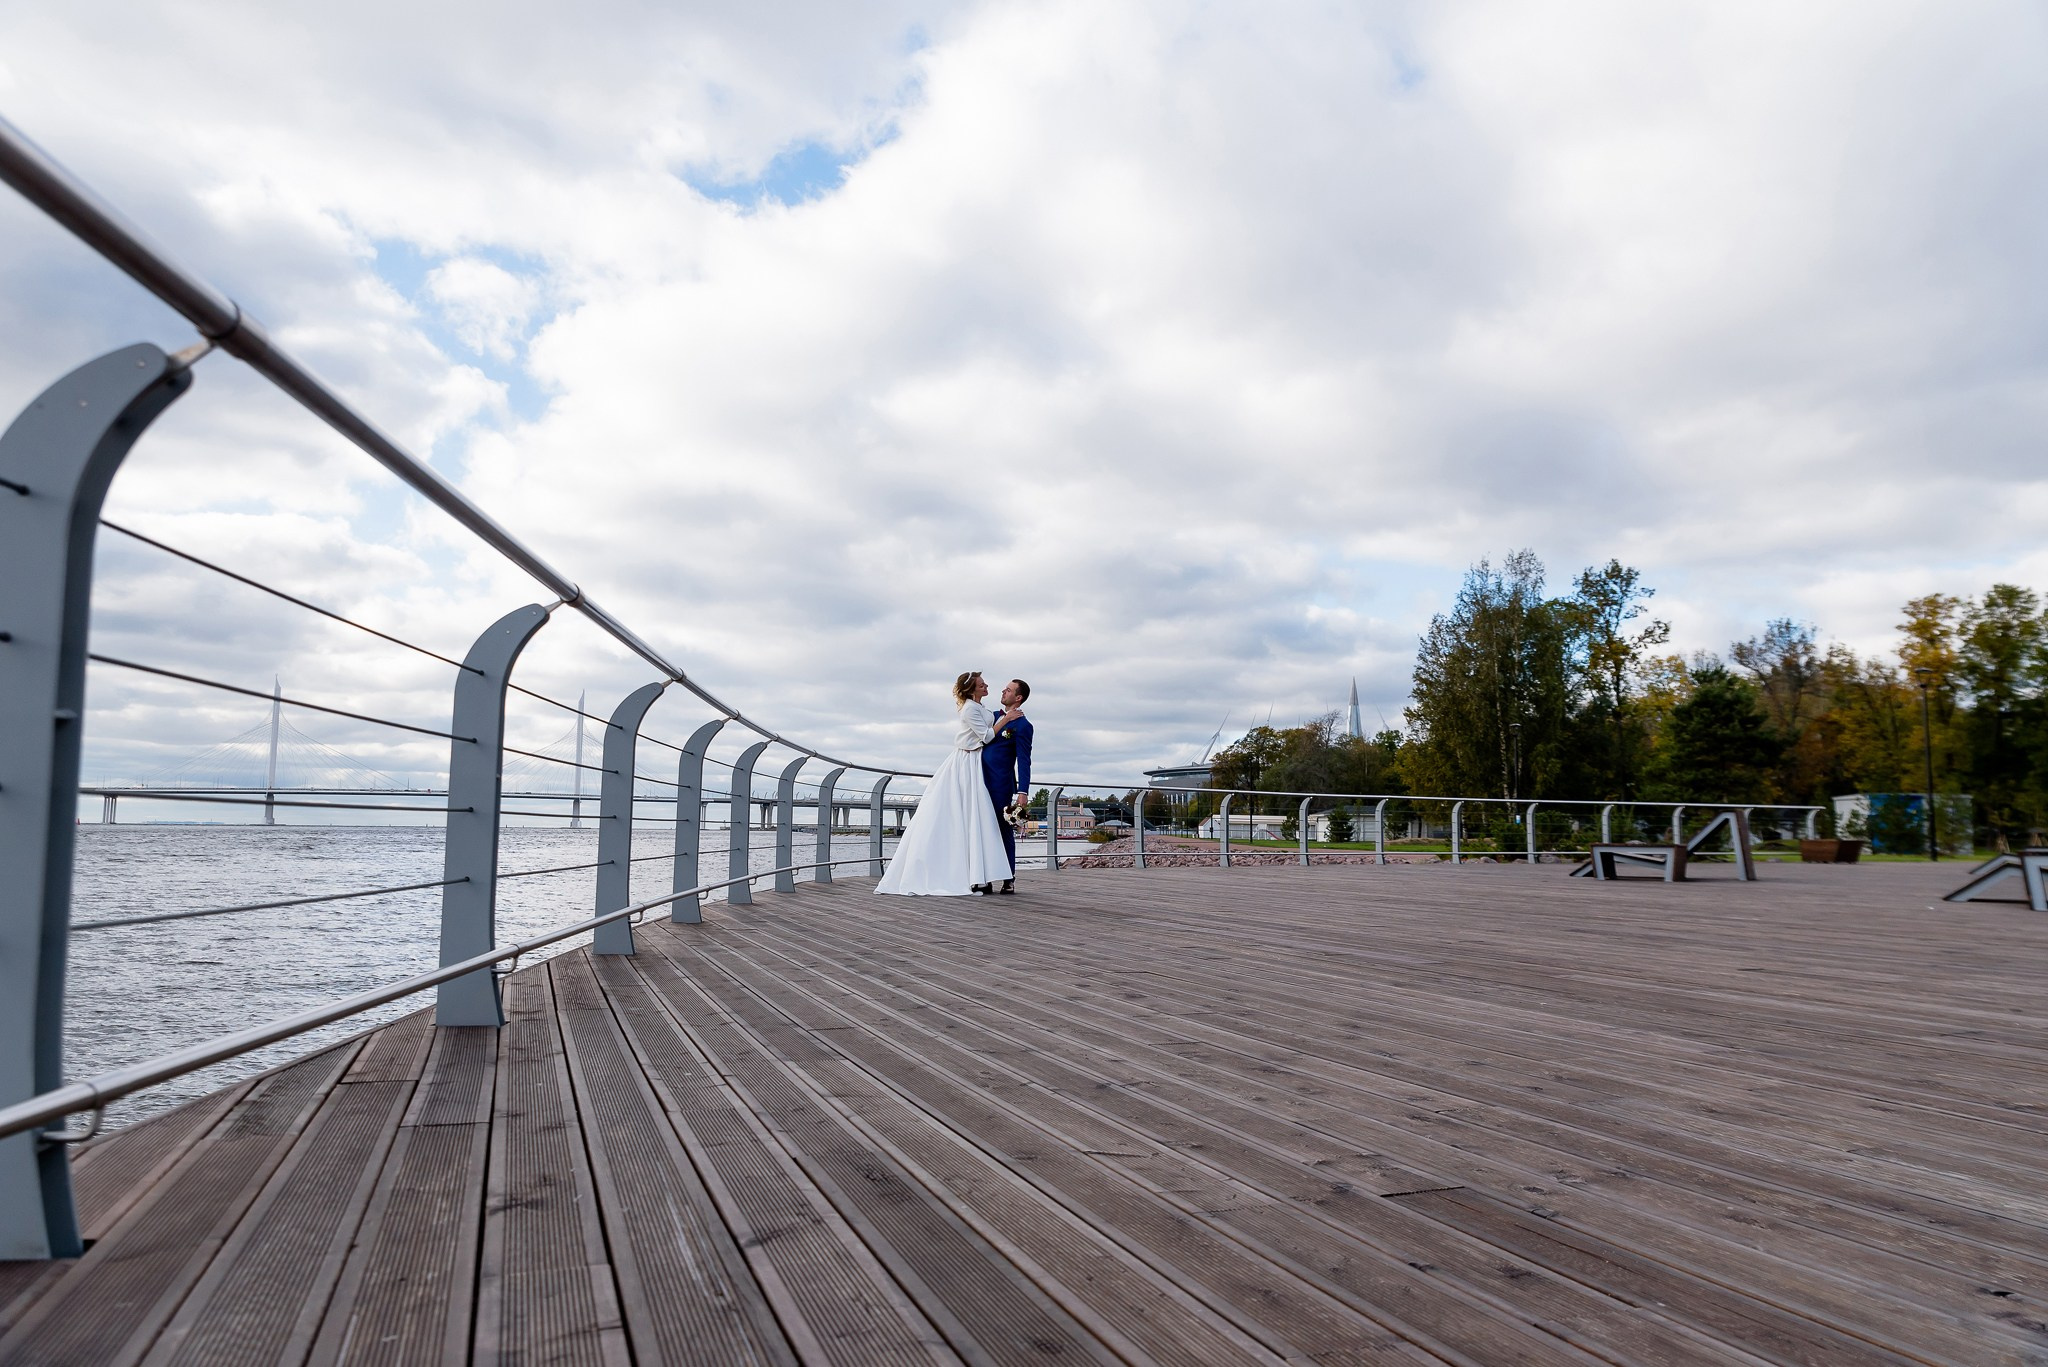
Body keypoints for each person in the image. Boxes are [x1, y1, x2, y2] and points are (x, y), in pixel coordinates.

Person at [874, 671, 1021, 896]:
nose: (986, 686)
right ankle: (962, 873)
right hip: (965, 761)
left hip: (975, 762)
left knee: (977, 817)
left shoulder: (981, 708)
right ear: (973, 689)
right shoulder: (970, 709)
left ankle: (980, 873)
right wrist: (1006, 720)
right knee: (962, 813)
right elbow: (986, 737)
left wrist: (1006, 717)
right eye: (982, 684)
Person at [980, 678, 1033, 894]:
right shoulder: (992, 717)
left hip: (1001, 783)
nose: (1003, 691)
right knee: (981, 828)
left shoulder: (1023, 726)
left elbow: (1024, 759)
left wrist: (1023, 791)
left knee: (1003, 830)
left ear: (1018, 697)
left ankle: (1008, 877)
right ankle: (983, 877)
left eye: (1008, 689)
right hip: (979, 780)